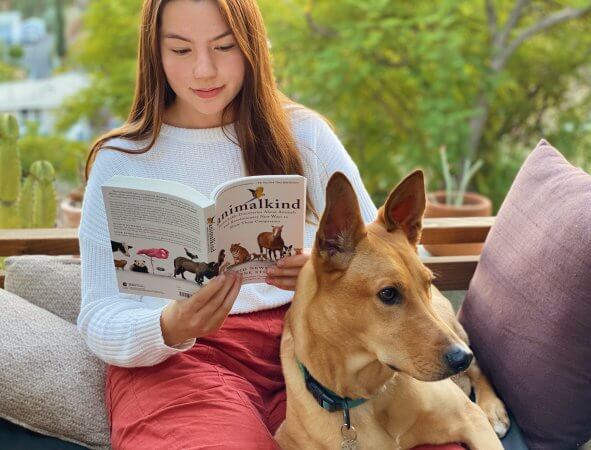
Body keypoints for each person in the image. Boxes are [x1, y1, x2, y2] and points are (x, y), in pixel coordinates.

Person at [77, 0, 377, 448]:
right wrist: (169, 325)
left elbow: (387, 255)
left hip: (311, 342)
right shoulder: (120, 160)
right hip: (180, 362)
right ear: (153, 53)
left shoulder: (303, 134)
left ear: (252, 45)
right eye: (180, 50)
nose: (204, 71)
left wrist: (323, 269)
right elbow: (98, 316)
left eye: (224, 46)